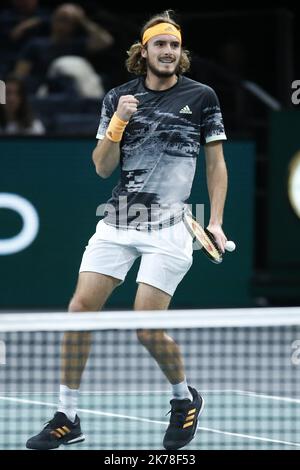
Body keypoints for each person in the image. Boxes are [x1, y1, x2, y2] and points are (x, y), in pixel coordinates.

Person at [26, 10, 228, 451]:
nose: (168, 52)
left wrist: (213, 221)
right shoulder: (118, 97)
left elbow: (216, 163)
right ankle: (67, 416)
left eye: (174, 45)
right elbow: (101, 168)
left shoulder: (203, 96)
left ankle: (183, 399)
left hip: (171, 229)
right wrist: (117, 121)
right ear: (144, 51)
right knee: (79, 312)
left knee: (146, 328)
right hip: (118, 223)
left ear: (181, 53)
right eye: (160, 44)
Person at [13, 3, 114, 93]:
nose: (62, 25)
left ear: (75, 25)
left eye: (68, 21)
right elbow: (19, 75)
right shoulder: (36, 44)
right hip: (44, 90)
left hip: (76, 92)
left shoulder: (78, 44)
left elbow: (106, 41)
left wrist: (83, 20)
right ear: (53, 20)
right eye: (60, 19)